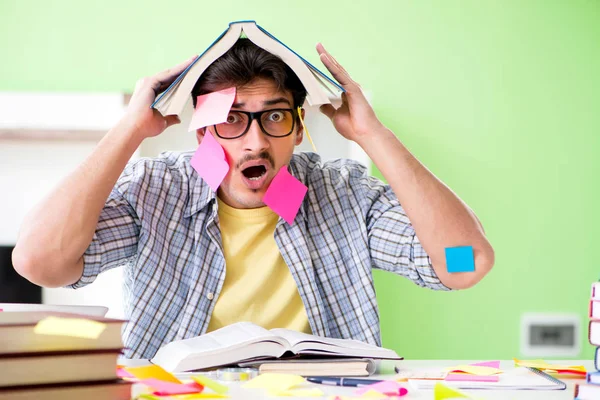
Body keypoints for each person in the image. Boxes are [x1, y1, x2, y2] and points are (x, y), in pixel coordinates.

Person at [12, 39, 494, 359]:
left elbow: (464, 263)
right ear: (201, 131)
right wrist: (130, 130)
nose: (255, 143)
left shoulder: (342, 196)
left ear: (300, 128)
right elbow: (41, 263)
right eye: (231, 120)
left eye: (275, 118)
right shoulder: (157, 192)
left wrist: (371, 133)